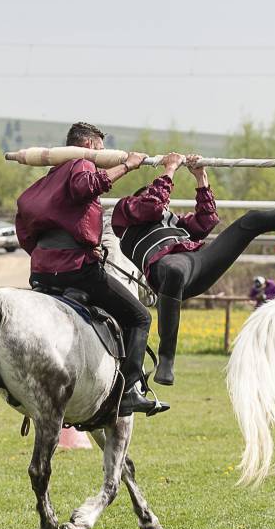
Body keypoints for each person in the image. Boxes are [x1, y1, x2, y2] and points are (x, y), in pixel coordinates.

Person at [113, 156, 275, 383]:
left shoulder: (173, 221)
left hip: (197, 264)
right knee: (174, 268)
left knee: (252, 220)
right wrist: (170, 169)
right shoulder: (126, 212)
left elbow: (207, 221)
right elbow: (152, 206)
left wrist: (201, 178)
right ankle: (167, 359)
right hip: (164, 270)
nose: (165, 206)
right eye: (158, 196)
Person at [15, 122, 166, 416]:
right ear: (88, 146)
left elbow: (25, 232)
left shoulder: (49, 178)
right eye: (101, 149)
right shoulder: (80, 163)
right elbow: (88, 186)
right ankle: (129, 392)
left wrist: (58, 252)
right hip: (76, 270)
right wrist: (128, 165)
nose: (102, 154)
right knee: (140, 317)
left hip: (42, 271)